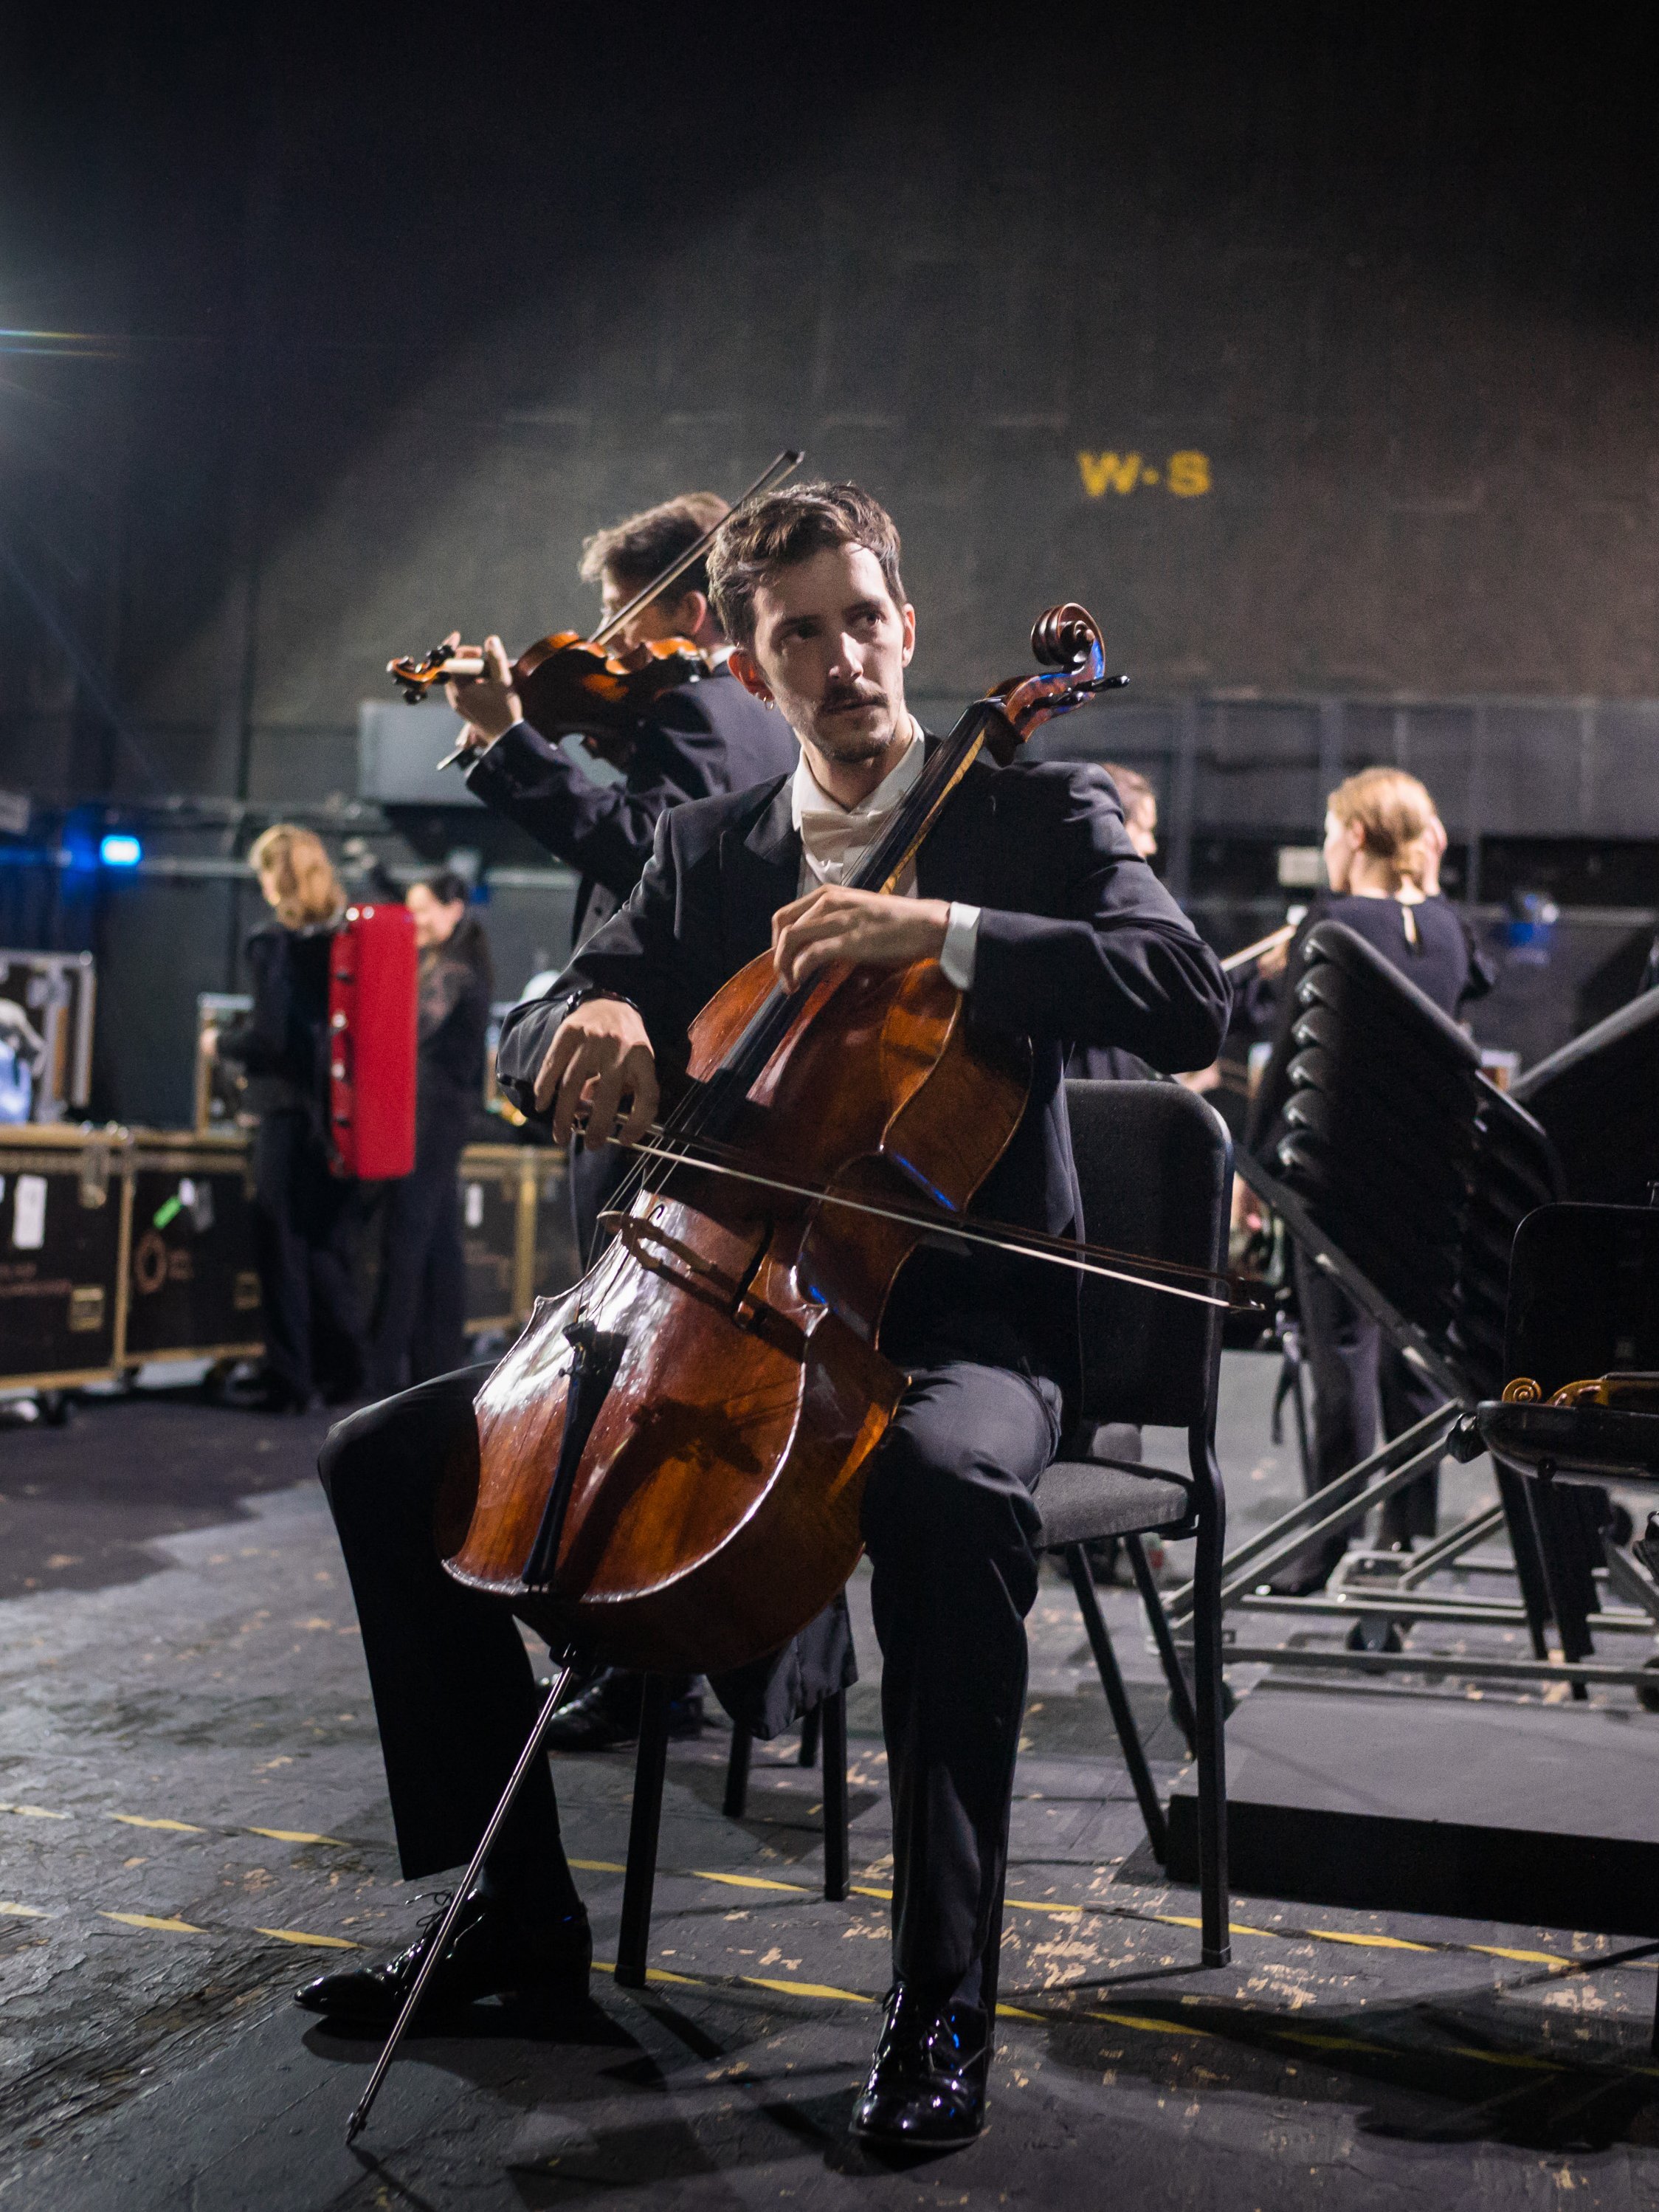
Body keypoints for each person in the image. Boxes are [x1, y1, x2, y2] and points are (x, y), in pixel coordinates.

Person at [294, 482, 1228, 2150]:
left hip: (961, 1329)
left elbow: (1185, 997)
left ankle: (941, 1990)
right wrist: (584, 1020)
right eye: (801, 634)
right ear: (747, 663)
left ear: (907, 624)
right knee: (382, 1457)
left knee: (944, 1487)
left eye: (865, 619)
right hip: (707, 1302)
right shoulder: (706, 850)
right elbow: (547, 1016)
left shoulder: (1032, 808)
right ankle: (514, 1920)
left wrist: (940, 930)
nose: (844, 656)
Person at [443, 492, 801, 1753]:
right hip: (691, 1067)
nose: (605, 644)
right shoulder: (724, 713)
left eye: (620, 617)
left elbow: (652, 849)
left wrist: (507, 741)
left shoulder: (709, 707)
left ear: (690, 609)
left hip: (658, 1071)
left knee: (630, 1372)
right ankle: (687, 1651)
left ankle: (652, 1658)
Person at [1249, 767, 1473, 1590]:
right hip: (1428, 1182)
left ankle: (1328, 1544)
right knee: (1414, 1367)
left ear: (1351, 835)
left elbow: (1289, 1057)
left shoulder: (1333, 921)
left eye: (1327, 833)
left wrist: (1251, 1165)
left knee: (1339, 1364)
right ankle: (1405, 1542)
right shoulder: (1449, 926)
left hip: (1336, 1185)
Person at [213, 825, 365, 1412]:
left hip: (283, 1112)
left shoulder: (270, 943)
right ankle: (345, 1371)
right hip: (336, 1116)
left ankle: (289, 1379)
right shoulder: (344, 940)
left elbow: (271, 1038)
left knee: (279, 1244)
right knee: (325, 1247)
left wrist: (220, 1044)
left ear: (277, 877)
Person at [366, 872, 493, 1396]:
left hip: (434, 1115)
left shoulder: (454, 969)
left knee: (408, 1234)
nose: (413, 920)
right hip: (444, 1113)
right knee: (438, 1241)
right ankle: (435, 1367)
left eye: (422, 910)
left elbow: (412, 1027)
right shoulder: (459, 962)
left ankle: (381, 1367)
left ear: (453, 909)